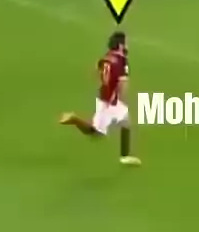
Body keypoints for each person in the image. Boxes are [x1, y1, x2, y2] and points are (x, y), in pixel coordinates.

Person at [59, 31, 141, 166]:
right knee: (96, 133)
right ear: (121, 45)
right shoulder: (122, 61)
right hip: (110, 102)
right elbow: (123, 82)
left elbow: (96, 70)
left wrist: (105, 82)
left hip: (103, 95)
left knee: (126, 121)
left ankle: (125, 156)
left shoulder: (107, 57)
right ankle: (74, 119)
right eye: (126, 42)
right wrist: (122, 97)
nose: (128, 45)